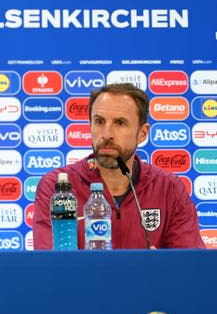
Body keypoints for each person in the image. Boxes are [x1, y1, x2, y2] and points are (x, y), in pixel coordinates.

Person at [33, 82, 204, 249]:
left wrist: (157, 269)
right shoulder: (57, 188)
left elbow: (191, 268)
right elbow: (52, 269)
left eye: (120, 123)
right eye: (99, 122)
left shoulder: (169, 188)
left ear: (142, 133)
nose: (107, 134)